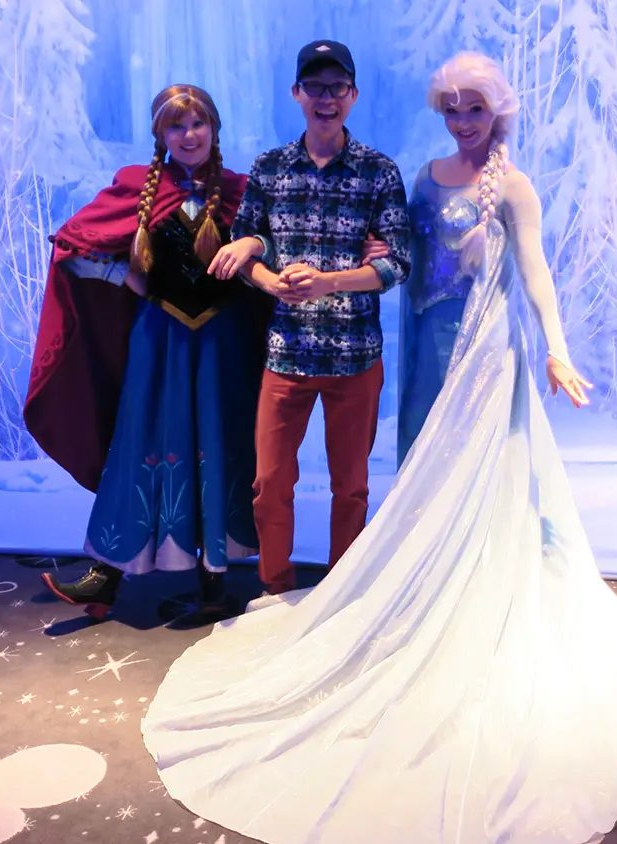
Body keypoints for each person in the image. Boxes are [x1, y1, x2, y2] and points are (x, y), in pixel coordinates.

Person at [141, 53, 617, 842]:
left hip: (459, 350)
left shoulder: (462, 179)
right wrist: (269, 275)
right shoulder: (366, 172)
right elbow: (311, 252)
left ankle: (442, 594)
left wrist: (554, 344)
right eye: (454, 108)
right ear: (301, 94)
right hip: (394, 350)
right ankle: (313, 594)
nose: (464, 121)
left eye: (475, 109)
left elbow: (495, 265)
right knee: (327, 480)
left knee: (429, 484)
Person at [206, 39, 411, 609]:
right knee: (270, 483)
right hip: (286, 353)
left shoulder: (378, 171)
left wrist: (329, 281)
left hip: (354, 356)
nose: (326, 98)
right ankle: (274, 590)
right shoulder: (271, 168)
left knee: (351, 487)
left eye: (337, 88)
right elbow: (247, 247)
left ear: (353, 95)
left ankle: (341, 595)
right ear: (297, 93)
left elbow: (397, 262)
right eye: (315, 87)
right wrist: (267, 278)